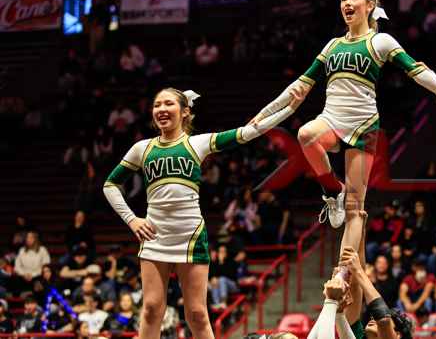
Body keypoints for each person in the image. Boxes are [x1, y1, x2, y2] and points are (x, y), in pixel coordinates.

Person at [250, 0, 436, 263]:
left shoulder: (381, 41)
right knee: (306, 134)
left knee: (355, 209)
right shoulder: (333, 45)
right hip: (331, 119)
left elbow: (419, 73)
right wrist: (265, 112)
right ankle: (333, 190)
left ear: (369, 6)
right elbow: (299, 85)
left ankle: (344, 271)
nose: (346, 2)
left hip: (365, 125)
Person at [103, 88, 298, 339]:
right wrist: (131, 220)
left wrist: (289, 109)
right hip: (154, 236)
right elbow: (110, 185)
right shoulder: (142, 148)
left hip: (190, 236)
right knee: (151, 310)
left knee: (196, 313)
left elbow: (247, 133)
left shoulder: (197, 143)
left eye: (169, 104)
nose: (161, 109)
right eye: (157, 105)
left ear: (185, 111)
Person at [341, 246, 414, 339]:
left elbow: (383, 320)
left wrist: (358, 270)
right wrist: (361, 241)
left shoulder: (392, 283)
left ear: (397, 335)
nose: (374, 318)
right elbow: (355, 286)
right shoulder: (358, 336)